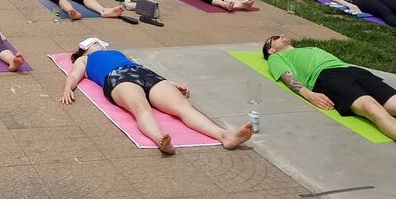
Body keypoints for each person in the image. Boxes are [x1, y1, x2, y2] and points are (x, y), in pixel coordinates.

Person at [263, 34, 396, 165]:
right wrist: (308, 94)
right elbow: (288, 78)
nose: (281, 36)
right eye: (276, 38)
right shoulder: (276, 58)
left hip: (351, 70)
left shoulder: (307, 48)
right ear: (271, 49)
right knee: (371, 108)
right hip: (326, 77)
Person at [62, 38, 254, 154]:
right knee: (141, 108)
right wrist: (68, 88)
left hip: (143, 73)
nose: (97, 43)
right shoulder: (84, 59)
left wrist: (170, 82)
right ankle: (160, 140)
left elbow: (143, 68)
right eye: (93, 42)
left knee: (182, 107)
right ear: (84, 48)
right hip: (117, 77)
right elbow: (73, 75)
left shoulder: (117, 52)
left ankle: (225, 135)